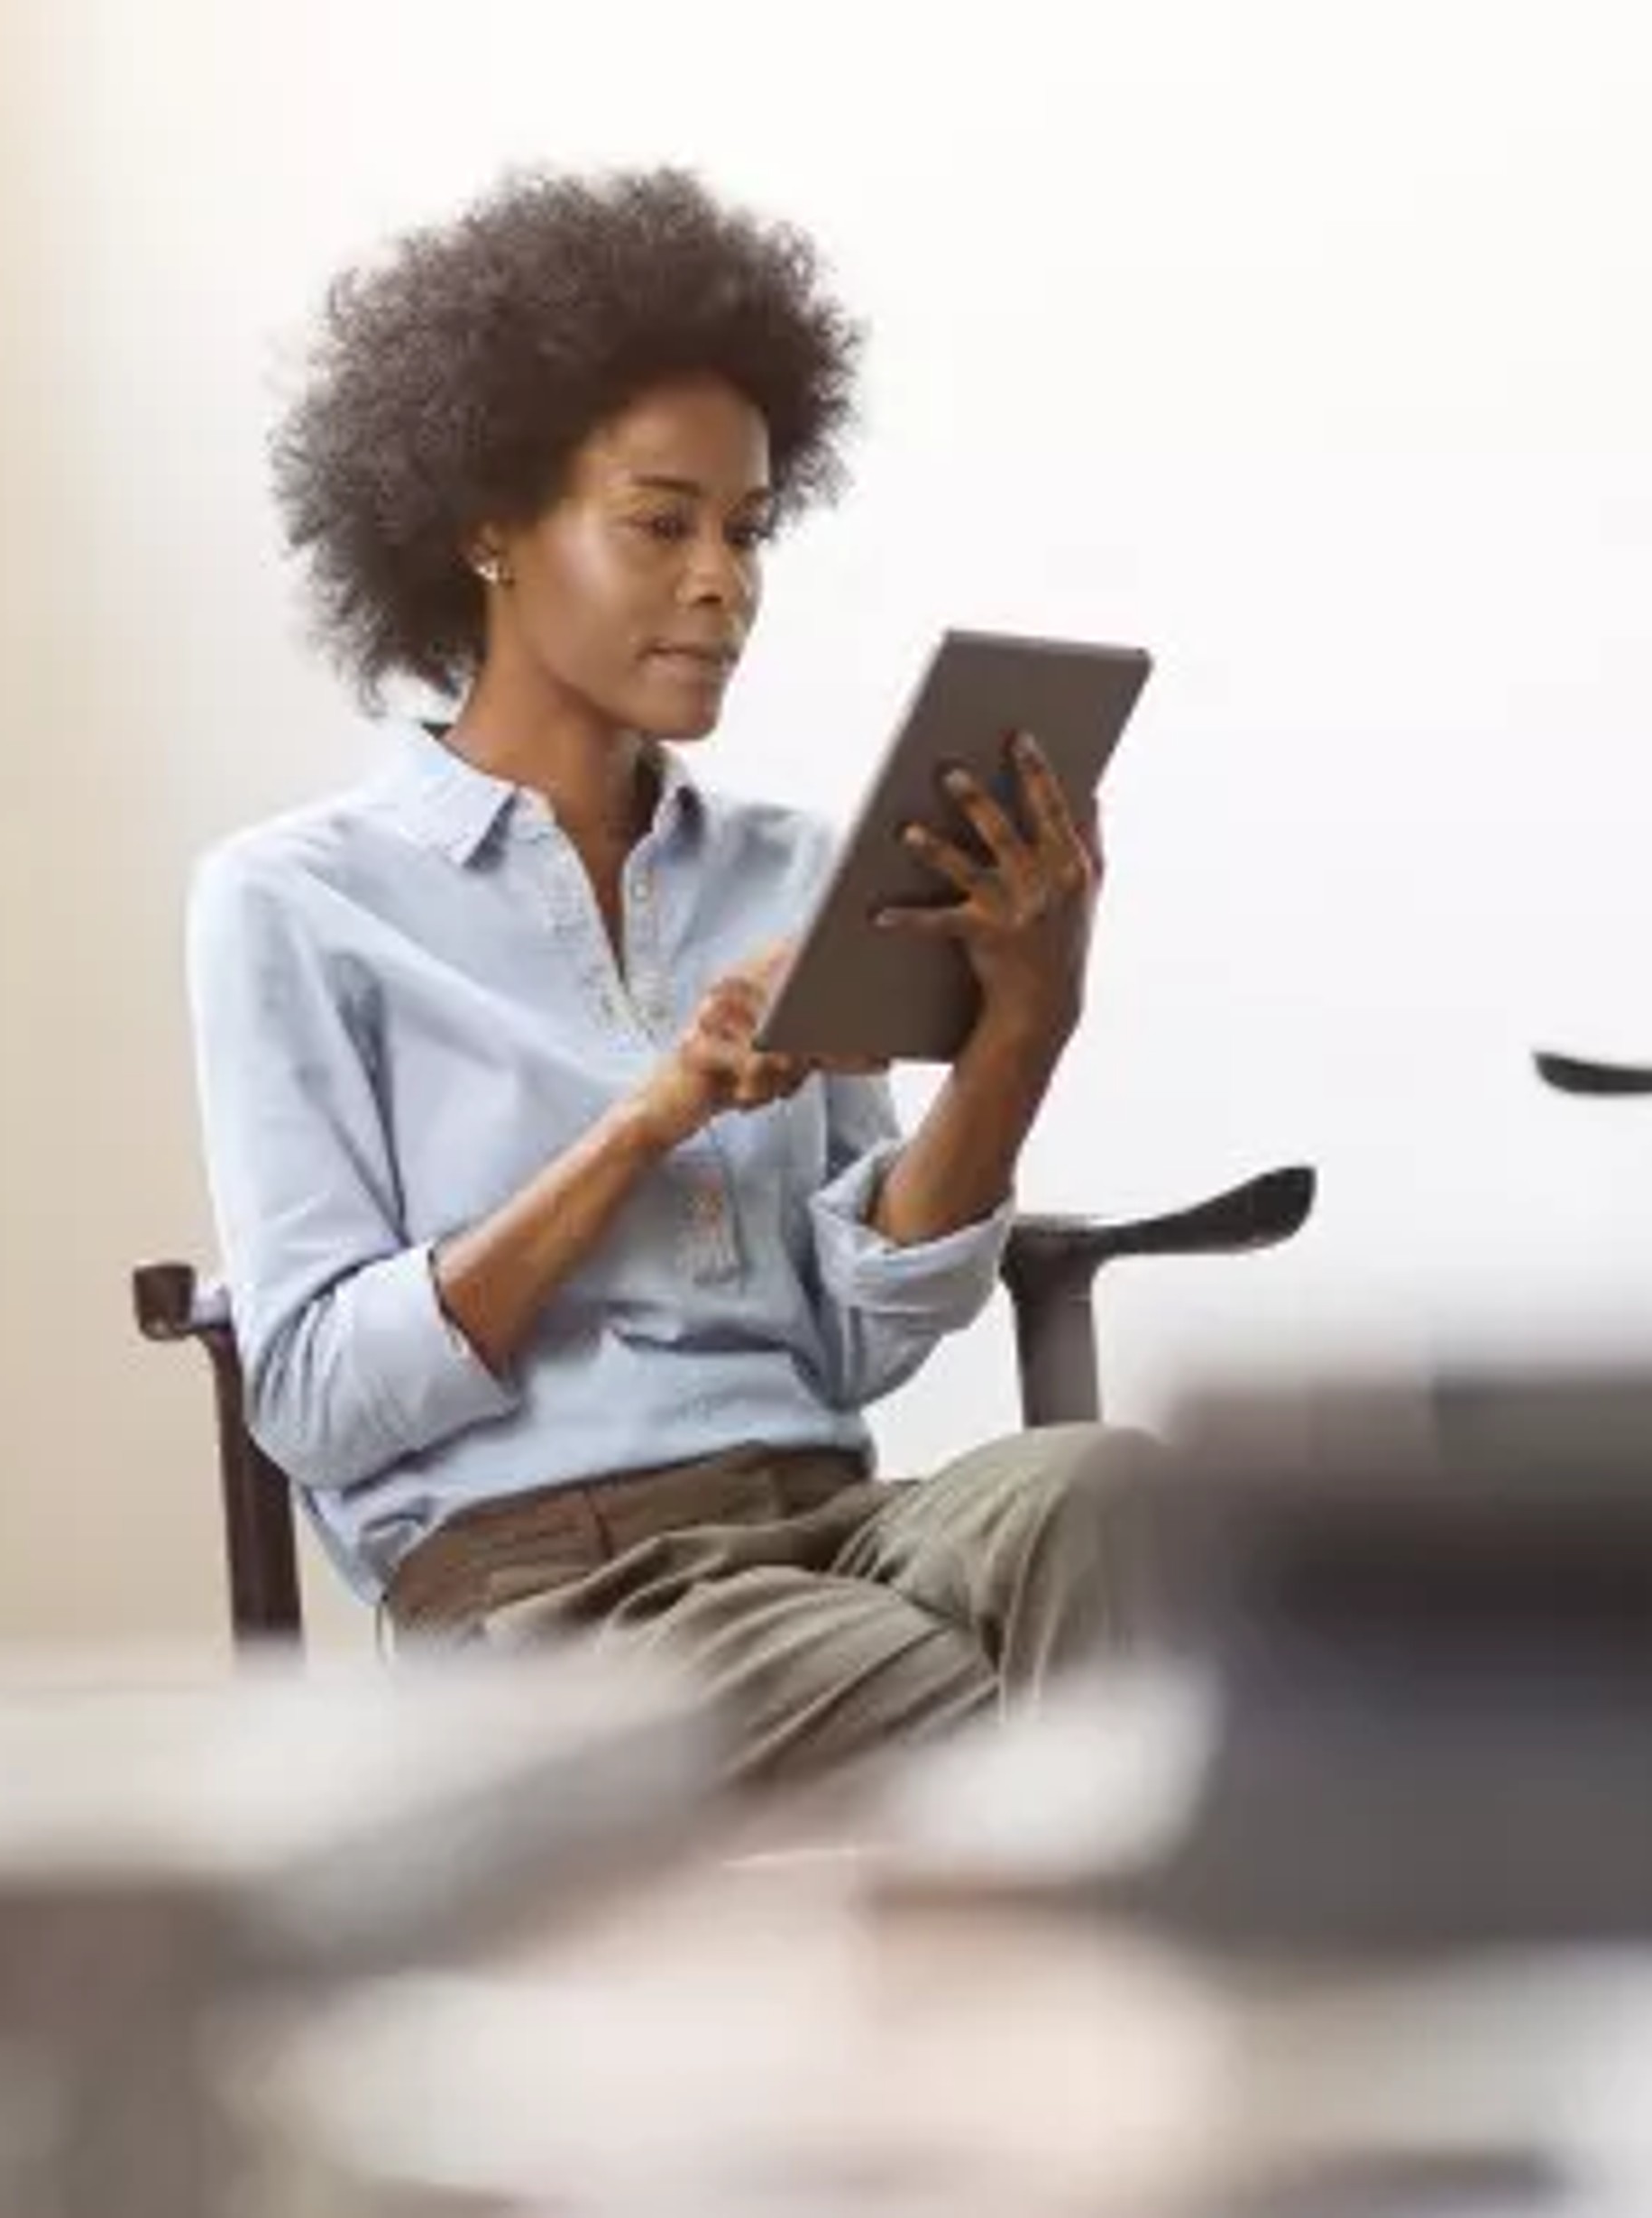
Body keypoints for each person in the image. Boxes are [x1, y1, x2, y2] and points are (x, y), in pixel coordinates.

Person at [186, 166, 1146, 1789]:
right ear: (488, 523)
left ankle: (1109, 1992)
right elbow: (315, 1400)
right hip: (543, 1599)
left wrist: (1022, 1029)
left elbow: (860, 1343)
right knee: (1008, 1732)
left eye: (747, 530)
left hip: (829, 1517)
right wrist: (648, 1120)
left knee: (1120, 1510)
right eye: (662, 523)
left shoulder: (788, 869)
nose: (725, 580)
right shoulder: (295, 903)